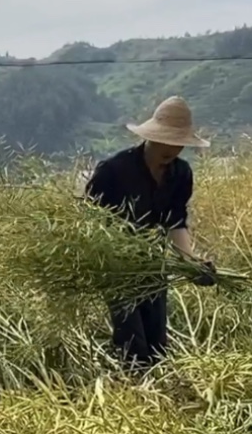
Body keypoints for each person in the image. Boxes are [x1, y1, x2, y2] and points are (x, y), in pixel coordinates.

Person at [85, 96, 215, 371]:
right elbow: (88, 221)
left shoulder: (180, 174)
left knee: (157, 342)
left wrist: (191, 262)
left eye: (178, 142)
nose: (171, 148)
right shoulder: (114, 171)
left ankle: (155, 393)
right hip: (116, 266)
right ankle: (132, 395)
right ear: (150, 137)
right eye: (165, 140)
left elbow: (175, 221)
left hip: (153, 264)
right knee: (133, 342)